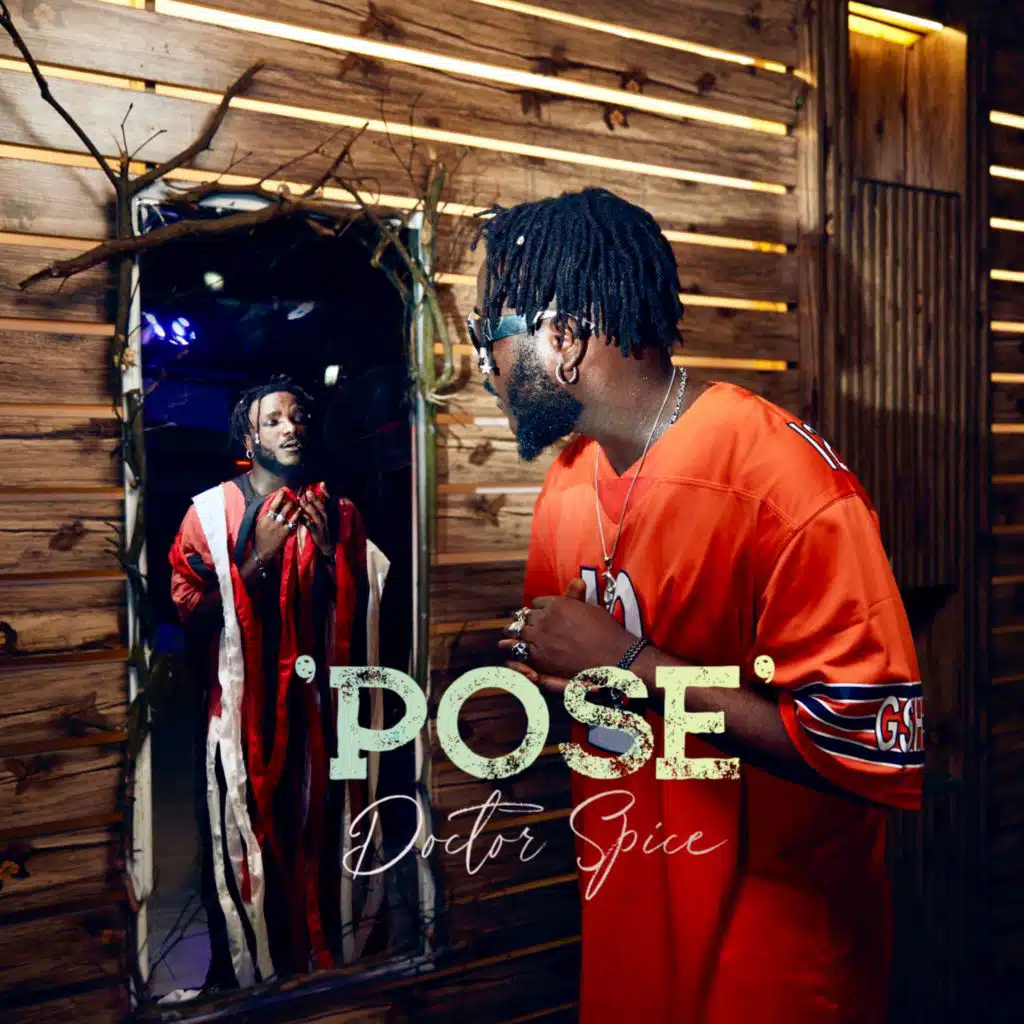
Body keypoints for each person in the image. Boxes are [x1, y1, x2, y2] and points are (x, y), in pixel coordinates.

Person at [467, 188, 924, 1023]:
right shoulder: (566, 484)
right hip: (630, 921)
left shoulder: (783, 483)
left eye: (484, 333)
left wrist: (629, 664)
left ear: (563, 339)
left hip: (769, 957)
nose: (481, 365)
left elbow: (864, 745)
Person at [169, 375, 389, 988]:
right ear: (249, 438)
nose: (290, 427)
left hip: (319, 718)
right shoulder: (210, 513)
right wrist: (258, 556)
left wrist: (331, 555)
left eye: (297, 417)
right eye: (273, 420)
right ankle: (248, 977)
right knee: (245, 842)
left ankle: (324, 972)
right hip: (244, 720)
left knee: (319, 837)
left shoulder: (337, 512)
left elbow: (367, 613)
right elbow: (190, 613)